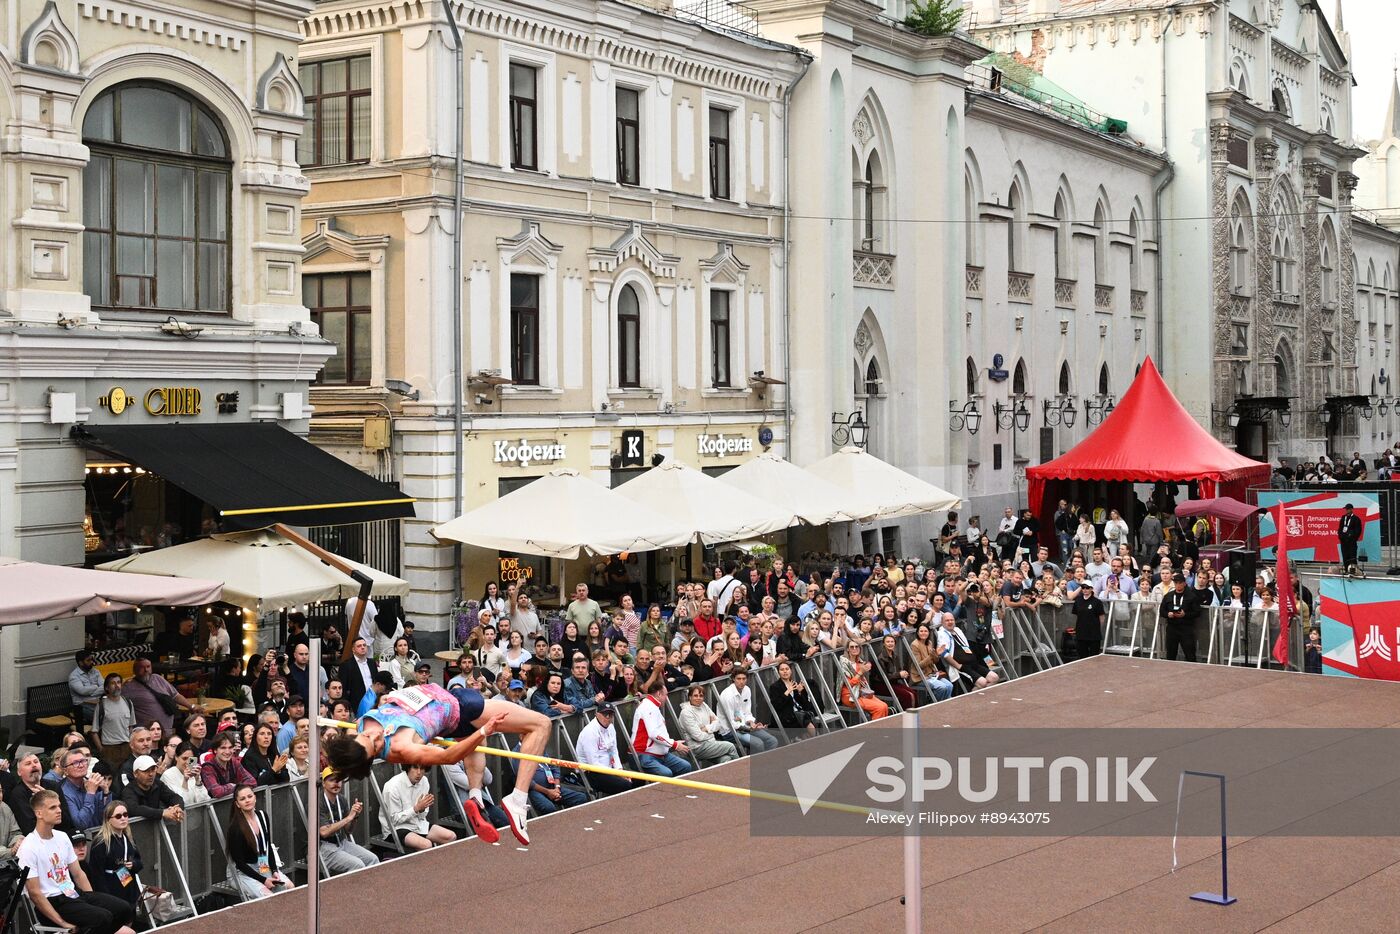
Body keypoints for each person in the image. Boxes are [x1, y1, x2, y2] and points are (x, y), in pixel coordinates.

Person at [322, 680, 545, 847]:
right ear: (372, 756)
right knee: (541, 724)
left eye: (367, 736)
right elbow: (449, 757)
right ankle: (517, 800)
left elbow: (345, 748)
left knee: (478, 743)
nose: (375, 736)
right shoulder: (401, 747)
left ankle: (476, 798)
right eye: (375, 745)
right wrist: (484, 731)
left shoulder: (360, 726)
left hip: (446, 700)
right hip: (461, 707)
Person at [18, 789, 137, 934]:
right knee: (103, 917)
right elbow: (35, 893)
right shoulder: (29, 846)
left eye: (59, 806)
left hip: (73, 894)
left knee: (124, 909)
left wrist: (92, 903)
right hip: (53, 901)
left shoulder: (62, 837)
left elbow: (78, 874)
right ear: (39, 813)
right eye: (52, 807)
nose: (59, 810)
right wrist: (62, 923)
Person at [225, 785, 293, 899]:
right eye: (242, 799)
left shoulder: (262, 815)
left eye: (249, 796)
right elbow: (240, 864)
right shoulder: (235, 828)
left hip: (263, 864)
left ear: (255, 798)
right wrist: (264, 880)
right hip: (241, 872)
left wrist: (274, 870)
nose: (247, 800)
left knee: (289, 887)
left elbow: (268, 846)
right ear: (237, 804)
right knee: (268, 896)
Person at [380, 764, 455, 850]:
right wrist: (416, 809)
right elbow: (394, 820)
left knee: (450, 836)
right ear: (408, 768)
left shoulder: (424, 781)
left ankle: (442, 858)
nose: (419, 772)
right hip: (395, 829)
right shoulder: (393, 787)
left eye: (422, 768)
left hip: (417, 824)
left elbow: (422, 817)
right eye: (415, 768)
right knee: (426, 845)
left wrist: (422, 809)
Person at [85, 802, 143, 916]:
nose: (123, 818)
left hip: (129, 886)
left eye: (125, 815)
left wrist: (134, 864)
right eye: (118, 816)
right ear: (108, 820)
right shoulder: (101, 843)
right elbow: (97, 875)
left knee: (131, 919)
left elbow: (139, 862)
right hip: (111, 889)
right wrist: (106, 898)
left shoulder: (129, 839)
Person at [318, 771, 379, 875]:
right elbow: (324, 832)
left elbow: (348, 830)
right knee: (358, 865)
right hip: (323, 848)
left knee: (373, 859)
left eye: (338, 780)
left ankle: (370, 885)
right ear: (323, 783)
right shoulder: (318, 802)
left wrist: (355, 816)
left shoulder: (341, 799)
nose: (336, 783)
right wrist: (348, 818)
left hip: (342, 842)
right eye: (331, 780)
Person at [122, 657, 199, 737]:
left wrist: (191, 707)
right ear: (135, 670)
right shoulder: (128, 687)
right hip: (147, 734)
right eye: (142, 667)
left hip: (167, 731)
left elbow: (176, 695)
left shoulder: (158, 678)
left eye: (148, 667)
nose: (146, 670)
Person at [631, 683, 693, 777]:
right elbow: (654, 734)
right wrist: (674, 745)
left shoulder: (652, 706)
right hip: (644, 754)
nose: (666, 698)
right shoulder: (648, 707)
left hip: (660, 754)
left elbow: (658, 734)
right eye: (665, 695)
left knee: (685, 767)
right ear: (659, 694)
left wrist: (673, 743)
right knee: (666, 774)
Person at [574, 706, 635, 796]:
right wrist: (617, 774)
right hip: (590, 772)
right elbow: (593, 763)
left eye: (610, 715)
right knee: (626, 785)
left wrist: (619, 769)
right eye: (605, 715)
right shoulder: (589, 732)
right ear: (597, 714)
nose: (608, 718)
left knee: (638, 780)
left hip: (609, 768)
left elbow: (614, 751)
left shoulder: (611, 727)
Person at [717, 671, 778, 754]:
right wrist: (749, 728)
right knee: (758, 743)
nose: (741, 681)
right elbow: (731, 723)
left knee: (772, 741)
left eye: (744, 679)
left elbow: (747, 713)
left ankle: (766, 760)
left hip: (745, 726)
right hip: (729, 731)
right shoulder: (727, 695)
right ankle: (758, 762)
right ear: (733, 679)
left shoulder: (747, 690)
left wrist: (751, 722)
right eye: (738, 679)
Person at [677, 685, 739, 766]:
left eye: (701, 696)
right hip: (697, 748)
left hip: (710, 744)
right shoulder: (686, 713)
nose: (698, 698)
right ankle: (743, 770)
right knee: (730, 747)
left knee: (725, 759)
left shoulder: (704, 705)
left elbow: (718, 723)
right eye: (695, 695)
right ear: (690, 697)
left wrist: (706, 728)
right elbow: (698, 736)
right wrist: (711, 731)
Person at [118, 755, 184, 825]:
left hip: (155, 828)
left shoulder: (157, 784)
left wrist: (178, 808)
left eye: (153, 769)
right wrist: (162, 813)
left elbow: (173, 797)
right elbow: (134, 809)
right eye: (146, 771)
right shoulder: (128, 790)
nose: (151, 774)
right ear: (135, 774)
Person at [90, 674, 136, 772]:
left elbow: (131, 726)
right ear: (107, 687)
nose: (116, 685)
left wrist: (131, 744)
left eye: (118, 682)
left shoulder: (128, 702)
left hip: (126, 747)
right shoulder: (101, 705)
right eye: (113, 683)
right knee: (112, 776)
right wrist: (101, 750)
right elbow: (94, 732)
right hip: (109, 748)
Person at [767, 661, 818, 738]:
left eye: (787, 669)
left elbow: (803, 704)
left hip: (798, 713)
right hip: (785, 716)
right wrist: (787, 692)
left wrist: (800, 692)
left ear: (791, 671)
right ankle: (816, 741)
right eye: (782, 670)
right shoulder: (775, 687)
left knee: (808, 719)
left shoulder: (793, 683)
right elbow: (777, 705)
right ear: (778, 672)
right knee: (808, 724)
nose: (785, 671)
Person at [200, 734, 256, 798]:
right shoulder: (207, 768)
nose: (227, 752)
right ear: (215, 750)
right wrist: (234, 786)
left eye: (230, 747)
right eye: (223, 748)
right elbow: (217, 792)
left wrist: (234, 787)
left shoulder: (234, 762)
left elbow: (252, 781)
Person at [1159, 573, 1198, 662]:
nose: (1178, 585)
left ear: (1184, 583)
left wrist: (1185, 614)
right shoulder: (1168, 596)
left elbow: (1197, 612)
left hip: (1186, 628)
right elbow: (1162, 611)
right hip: (1172, 627)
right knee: (1170, 654)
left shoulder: (1191, 596)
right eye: (1176, 583)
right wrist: (1168, 614)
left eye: (1180, 583)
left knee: (1190, 654)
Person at [161, 743, 210, 808]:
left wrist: (198, 781)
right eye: (184, 758)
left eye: (191, 759)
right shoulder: (168, 775)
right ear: (176, 757)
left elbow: (205, 801)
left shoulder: (195, 773)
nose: (188, 762)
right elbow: (183, 803)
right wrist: (185, 781)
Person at [1070, 583, 1106, 660]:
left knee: (1094, 657)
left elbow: (1102, 617)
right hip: (1081, 633)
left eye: (1087, 588)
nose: (1085, 590)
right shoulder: (1078, 600)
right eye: (1083, 588)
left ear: (1091, 589)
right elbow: (1076, 615)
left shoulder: (1097, 602)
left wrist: (1098, 629)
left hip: (1093, 634)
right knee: (1082, 656)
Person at [68, 651, 104, 726]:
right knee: (102, 717)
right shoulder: (74, 676)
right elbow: (82, 691)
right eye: (88, 660)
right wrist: (96, 687)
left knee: (114, 712)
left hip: (97, 703)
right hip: (82, 706)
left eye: (91, 659)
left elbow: (104, 687)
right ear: (81, 663)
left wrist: (91, 692)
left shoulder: (95, 671)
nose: (91, 662)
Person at [1338, 503, 1362, 576]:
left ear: (1351, 509)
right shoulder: (1343, 518)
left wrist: (1353, 538)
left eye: (1348, 509)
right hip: (1344, 541)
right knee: (1345, 556)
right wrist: (1341, 537)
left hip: (1351, 542)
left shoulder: (1356, 519)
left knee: (1352, 556)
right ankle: (1346, 570)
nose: (1346, 510)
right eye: (1346, 509)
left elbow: (1358, 530)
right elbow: (1340, 529)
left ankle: (1352, 571)